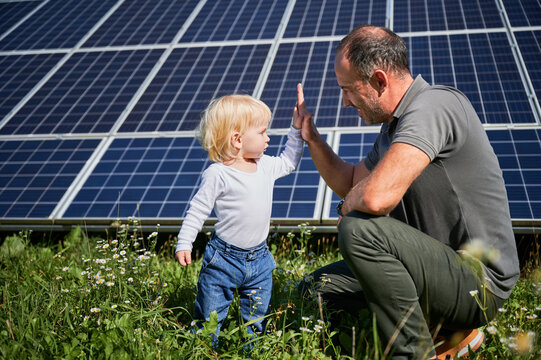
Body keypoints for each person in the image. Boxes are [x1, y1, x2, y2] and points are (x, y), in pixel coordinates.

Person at [296, 25, 519, 359]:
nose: (344, 102)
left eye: (347, 89)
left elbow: (374, 197)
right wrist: (312, 138)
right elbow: (353, 182)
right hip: (432, 270)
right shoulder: (394, 128)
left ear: (379, 81)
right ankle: (439, 334)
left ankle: (415, 352)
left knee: (360, 229)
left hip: (478, 282)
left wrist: (347, 211)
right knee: (313, 290)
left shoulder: (434, 105)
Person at [175, 94, 307, 346]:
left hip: (259, 259)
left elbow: (290, 160)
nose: (268, 137)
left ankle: (253, 350)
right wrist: (184, 242)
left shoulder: (265, 165)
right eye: (262, 132)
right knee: (209, 317)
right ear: (237, 139)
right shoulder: (218, 174)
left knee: (256, 318)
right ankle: (204, 349)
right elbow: (198, 210)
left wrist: (296, 128)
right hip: (222, 260)